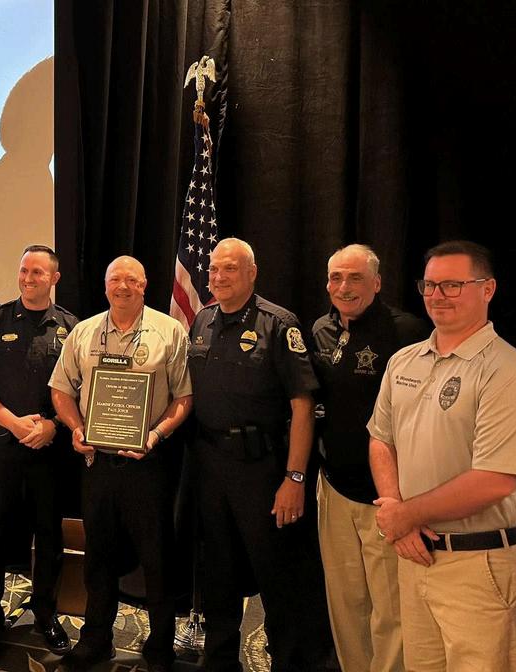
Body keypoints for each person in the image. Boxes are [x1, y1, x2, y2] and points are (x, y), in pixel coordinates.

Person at [368, 240, 516, 672]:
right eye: (430, 285)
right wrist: (395, 508)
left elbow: (494, 480)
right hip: (417, 556)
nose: (437, 295)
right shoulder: (403, 361)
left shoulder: (508, 372)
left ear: (488, 289)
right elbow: (381, 439)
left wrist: (404, 515)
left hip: (481, 566)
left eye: (452, 285)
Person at [188, 238, 334, 671]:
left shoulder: (278, 324)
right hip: (210, 464)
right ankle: (219, 660)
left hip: (261, 468)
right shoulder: (202, 319)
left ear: (252, 273)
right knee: (218, 570)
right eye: (214, 269)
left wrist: (295, 478)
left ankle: (287, 661)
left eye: (229, 269)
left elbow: (303, 406)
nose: (218, 277)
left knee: (276, 574)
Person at [50, 256, 193, 672]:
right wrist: (75, 428)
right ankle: (96, 639)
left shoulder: (170, 331)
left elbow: (184, 397)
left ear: (144, 285)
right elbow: (60, 389)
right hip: (97, 464)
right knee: (98, 557)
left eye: (132, 280)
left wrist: (156, 434)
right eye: (115, 279)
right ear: (105, 285)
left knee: (157, 558)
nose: (123, 287)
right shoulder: (84, 332)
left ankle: (160, 645)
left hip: (148, 465)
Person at [310, 244, 429, 672]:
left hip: (386, 496)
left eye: (355, 278)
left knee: (390, 610)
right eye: (336, 277)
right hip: (334, 489)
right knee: (345, 605)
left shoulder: (408, 333)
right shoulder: (320, 329)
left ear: (377, 283)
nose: (344, 287)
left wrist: (403, 499)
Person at [0, 245, 77, 670]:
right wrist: (12, 423)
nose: (28, 278)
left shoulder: (71, 327)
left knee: (48, 538)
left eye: (37, 272)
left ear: (54, 278)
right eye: (24, 270)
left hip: (49, 451)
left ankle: (46, 615)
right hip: (1, 449)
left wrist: (53, 425)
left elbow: (82, 389)